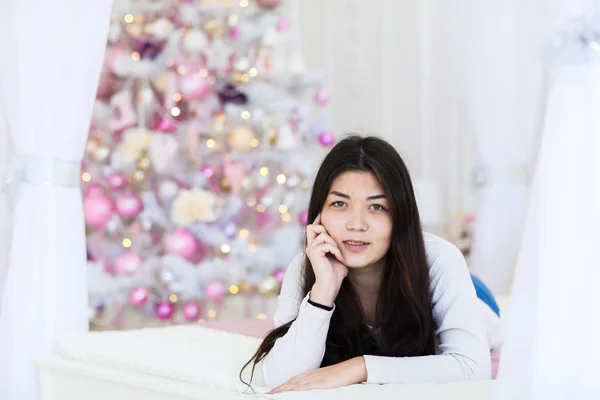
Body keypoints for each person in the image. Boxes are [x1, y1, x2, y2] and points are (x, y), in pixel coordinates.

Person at [241, 134, 503, 393]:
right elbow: (279, 379)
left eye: (376, 207)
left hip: (470, 292)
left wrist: (359, 367)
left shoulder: (441, 259)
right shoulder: (305, 266)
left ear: (400, 216)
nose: (356, 224)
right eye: (340, 203)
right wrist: (323, 292)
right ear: (319, 214)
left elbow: (472, 368)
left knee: (485, 330)